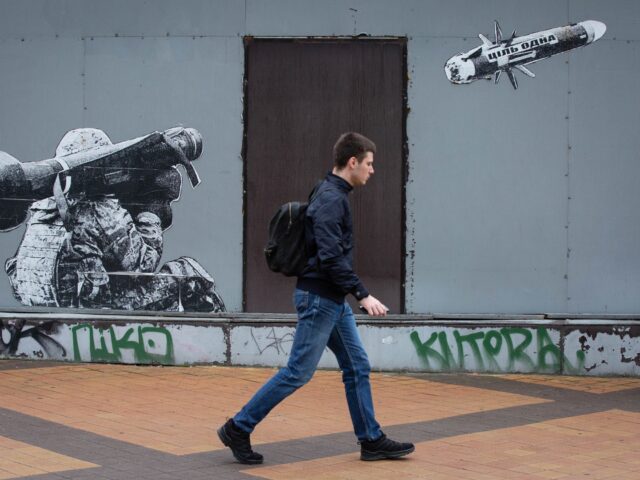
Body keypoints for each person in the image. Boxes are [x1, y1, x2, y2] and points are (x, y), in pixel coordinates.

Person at [218, 132, 414, 463]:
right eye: (369, 164)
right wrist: (363, 294)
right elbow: (330, 257)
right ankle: (239, 426)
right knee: (297, 372)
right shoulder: (330, 200)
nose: (372, 170)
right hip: (321, 300)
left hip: (331, 301)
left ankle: (371, 439)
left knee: (357, 365)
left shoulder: (331, 193)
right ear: (352, 162)